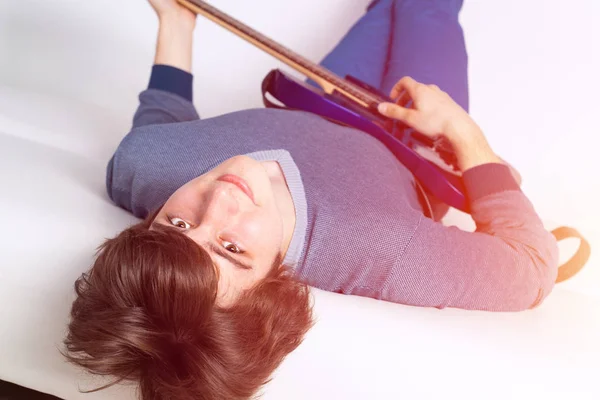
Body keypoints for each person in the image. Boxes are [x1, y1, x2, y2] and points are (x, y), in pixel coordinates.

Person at [64, 0, 559, 399]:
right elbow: (533, 267)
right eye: (232, 249)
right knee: (426, 6)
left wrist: (177, 23)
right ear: (276, 282)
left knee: (385, 9)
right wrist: (465, 135)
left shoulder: (143, 166)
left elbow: (161, 123)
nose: (217, 202)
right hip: (419, 141)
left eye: (177, 225)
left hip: (320, 93)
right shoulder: (385, 252)